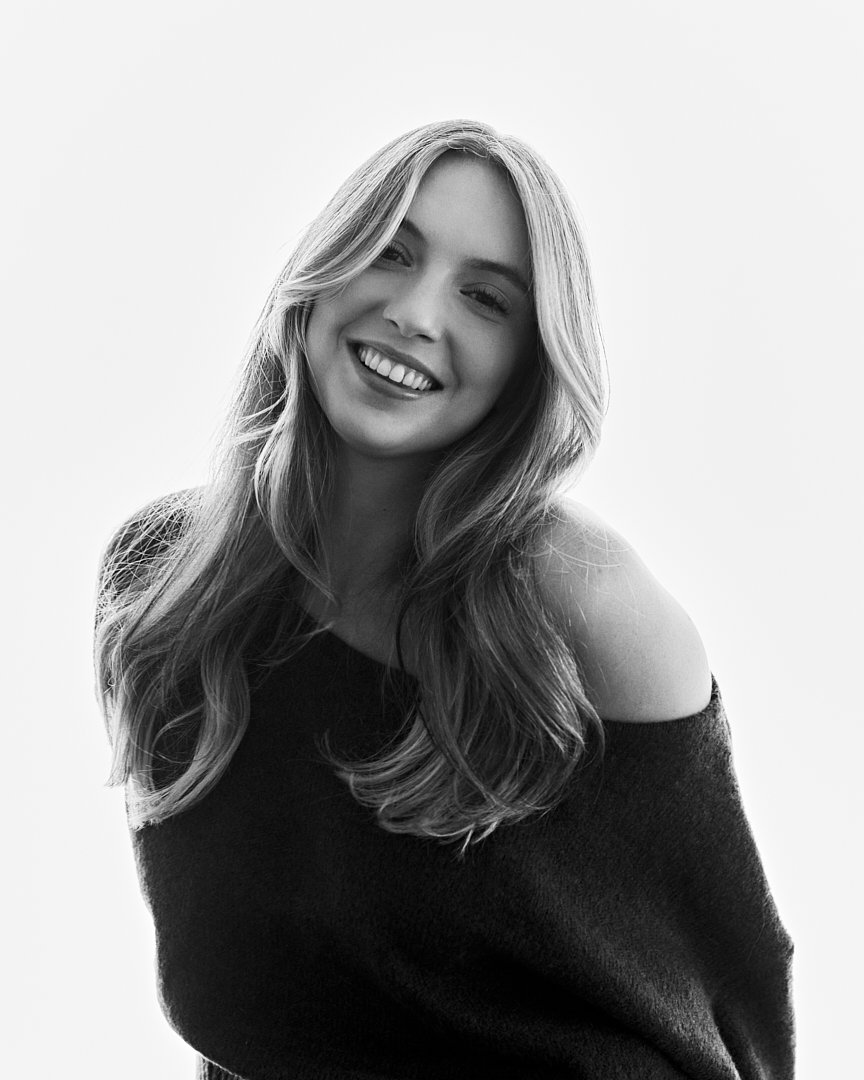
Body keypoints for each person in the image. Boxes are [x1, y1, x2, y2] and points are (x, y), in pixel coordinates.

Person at [94, 119, 795, 1079]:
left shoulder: (588, 607)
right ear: (321, 269)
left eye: (485, 298)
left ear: (529, 365)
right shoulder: (162, 584)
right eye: (390, 251)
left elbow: (742, 1002)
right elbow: (256, 1012)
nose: (417, 314)